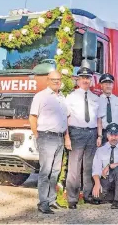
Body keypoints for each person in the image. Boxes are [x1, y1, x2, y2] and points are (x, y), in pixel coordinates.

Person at [30, 71, 69, 214]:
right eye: (53, 80)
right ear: (47, 81)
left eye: (58, 80)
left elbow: (65, 118)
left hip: (59, 137)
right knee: (45, 171)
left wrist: (65, 137)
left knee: (55, 172)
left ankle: (52, 200)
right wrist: (37, 135)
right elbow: (32, 117)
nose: (56, 82)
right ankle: (43, 202)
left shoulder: (62, 97)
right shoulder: (41, 96)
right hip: (46, 137)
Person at [65, 67, 99, 209]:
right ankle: (72, 198)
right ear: (77, 80)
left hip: (92, 133)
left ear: (91, 80)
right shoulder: (71, 97)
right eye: (83, 78)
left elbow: (99, 120)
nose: (85, 80)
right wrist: (67, 137)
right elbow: (65, 118)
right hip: (76, 133)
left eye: (88, 78)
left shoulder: (96, 98)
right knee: (74, 167)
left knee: (89, 166)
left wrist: (100, 135)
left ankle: (87, 195)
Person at [92, 123, 118, 209]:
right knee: (96, 197)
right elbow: (96, 169)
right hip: (106, 179)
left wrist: (110, 166)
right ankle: (115, 194)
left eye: (116, 134)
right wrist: (97, 184)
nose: (113, 137)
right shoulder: (101, 149)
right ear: (107, 135)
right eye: (111, 135)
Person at [97, 73, 118, 145]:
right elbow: (99, 120)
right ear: (101, 85)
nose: (108, 86)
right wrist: (100, 136)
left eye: (110, 83)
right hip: (104, 134)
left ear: (113, 85)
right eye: (105, 84)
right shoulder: (97, 100)